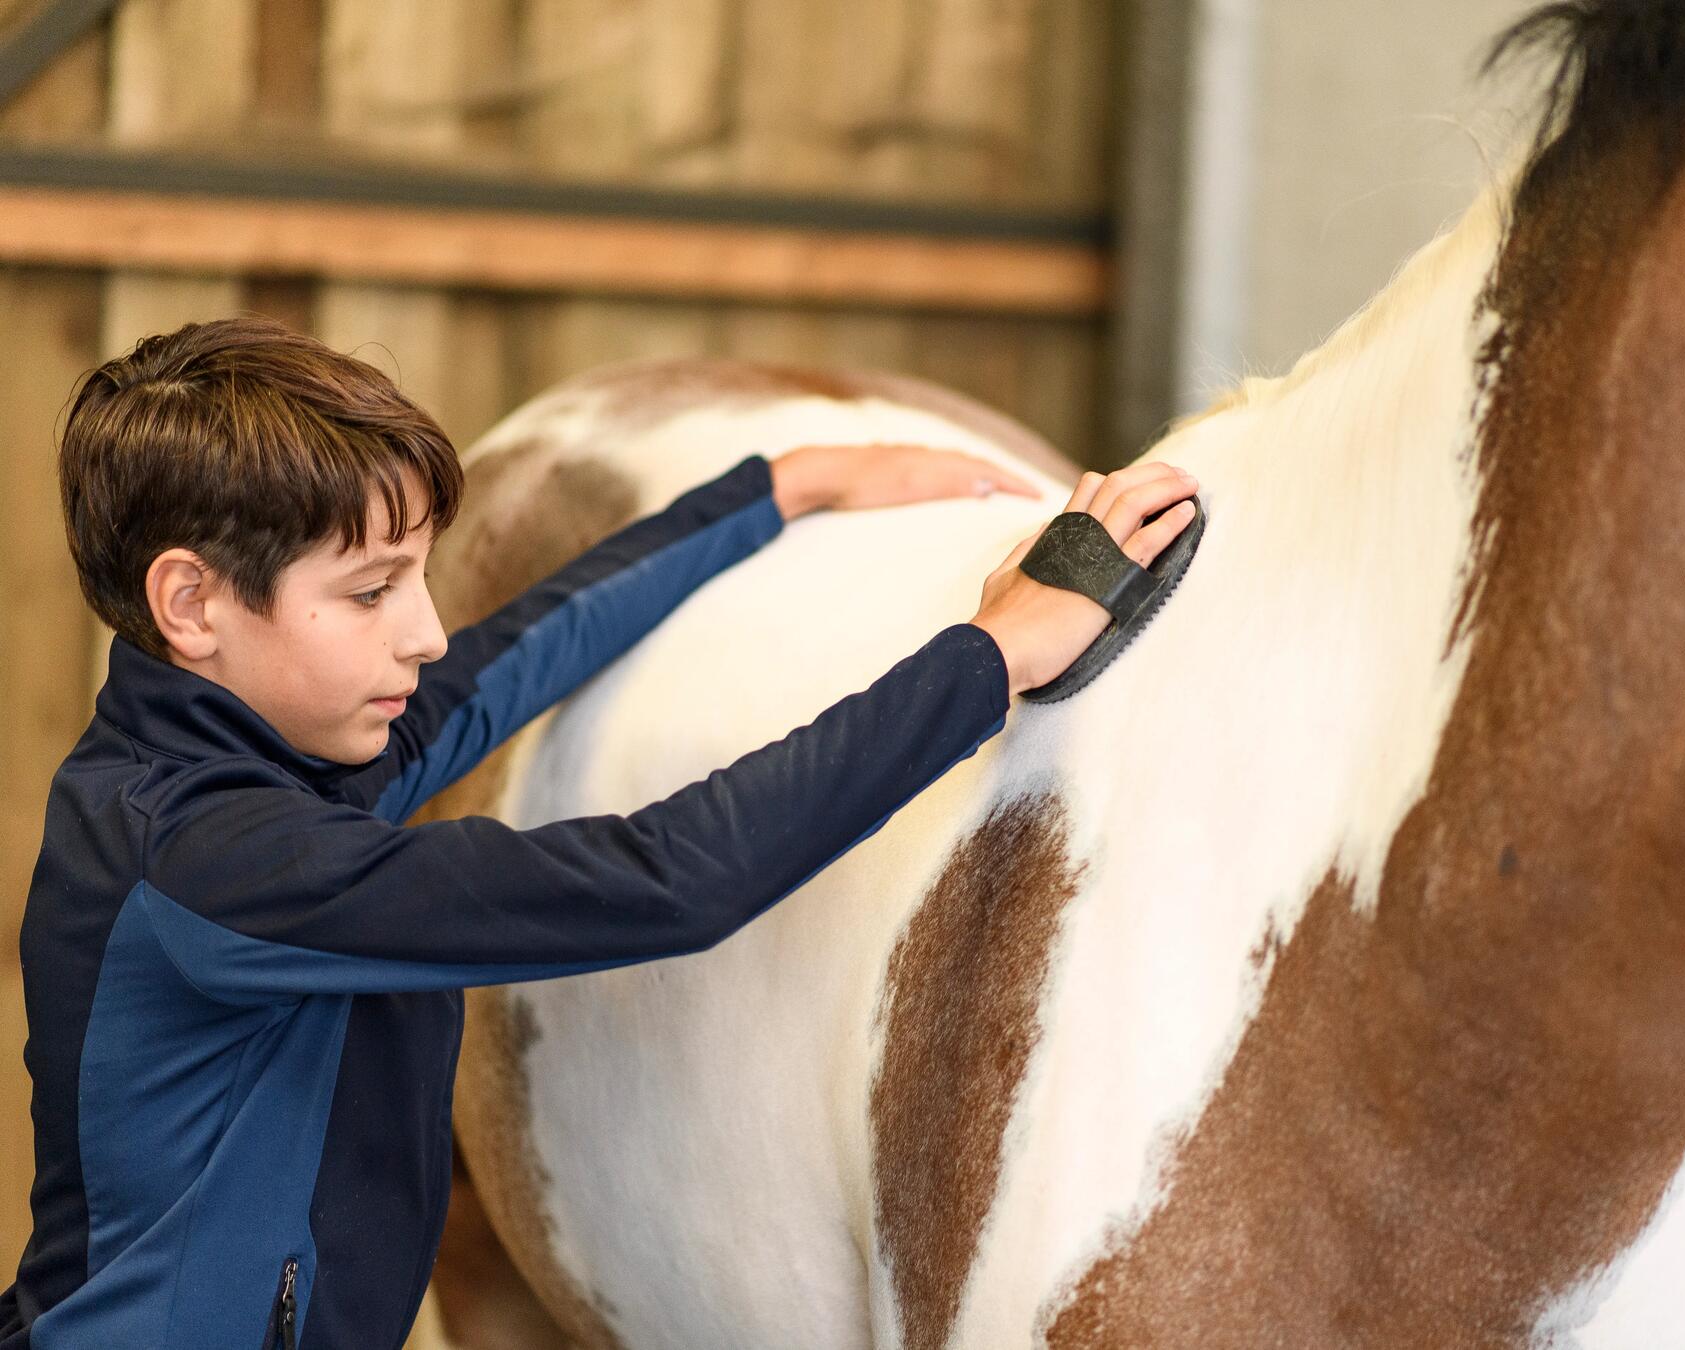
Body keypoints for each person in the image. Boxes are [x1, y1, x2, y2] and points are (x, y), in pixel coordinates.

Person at [0, 317, 1199, 1349]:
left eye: (420, 576)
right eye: (370, 592)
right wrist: (990, 658)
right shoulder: (214, 859)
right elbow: (667, 878)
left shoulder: (268, 763)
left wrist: (778, 490)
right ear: (192, 603)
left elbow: (520, 652)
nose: (420, 632)